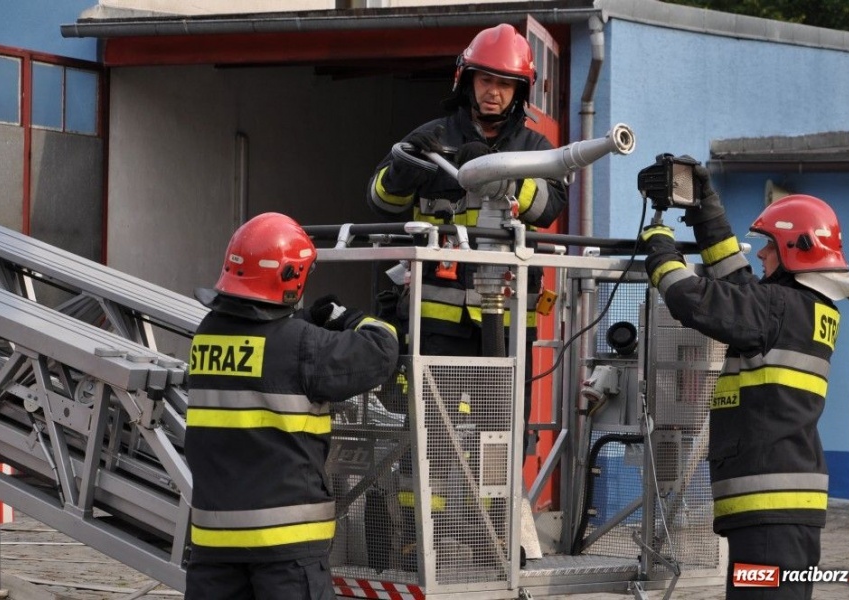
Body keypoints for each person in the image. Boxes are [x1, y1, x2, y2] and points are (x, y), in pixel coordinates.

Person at [639, 164, 849, 599]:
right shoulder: (803, 309)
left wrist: (660, 250)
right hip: (784, 517)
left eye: (769, 247)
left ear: (795, 251)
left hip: (769, 520)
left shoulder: (775, 309)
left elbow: (692, 298)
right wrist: (705, 209)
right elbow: (739, 286)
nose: (760, 255)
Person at [366, 23, 568, 457]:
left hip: (509, 323)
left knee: (499, 438)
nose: (494, 92)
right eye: (486, 80)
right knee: (430, 436)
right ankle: (420, 522)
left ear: (521, 92)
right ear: (467, 80)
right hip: (435, 322)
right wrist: (405, 167)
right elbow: (381, 200)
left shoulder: (535, 147)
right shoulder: (431, 138)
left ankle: (493, 524)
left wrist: (499, 172)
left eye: (505, 84)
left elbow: (549, 206)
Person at [184, 212, 399, 600]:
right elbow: (380, 351)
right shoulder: (301, 345)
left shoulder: (207, 335)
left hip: (214, 547)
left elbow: (266, 351)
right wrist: (342, 317)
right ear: (290, 277)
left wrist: (304, 323)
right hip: (285, 554)